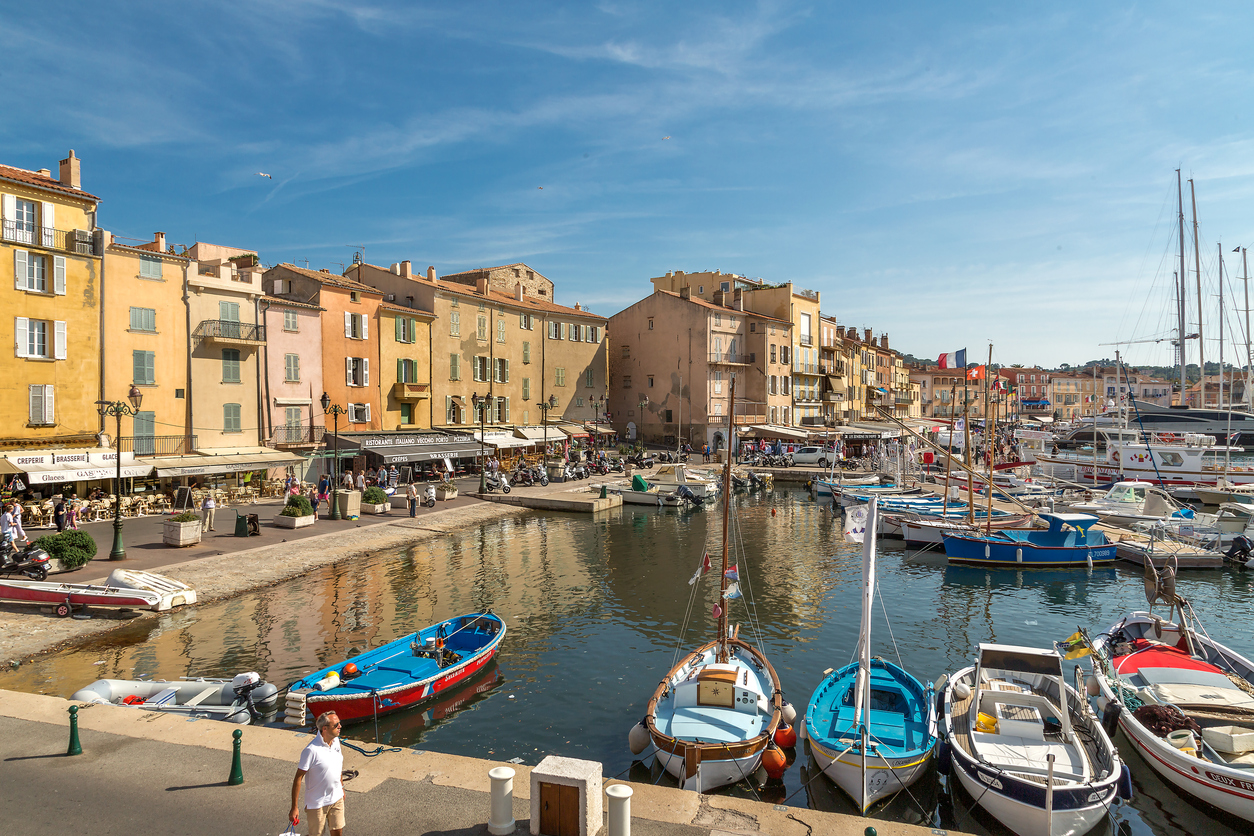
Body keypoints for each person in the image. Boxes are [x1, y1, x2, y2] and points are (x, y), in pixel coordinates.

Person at [290, 711, 345, 836]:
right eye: (336, 725)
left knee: (337, 832)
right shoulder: (311, 750)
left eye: (339, 723)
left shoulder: (336, 742)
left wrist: (341, 788)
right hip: (317, 803)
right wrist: (294, 807)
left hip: (336, 797)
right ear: (324, 729)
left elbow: (338, 766)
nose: (340, 726)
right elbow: (298, 778)